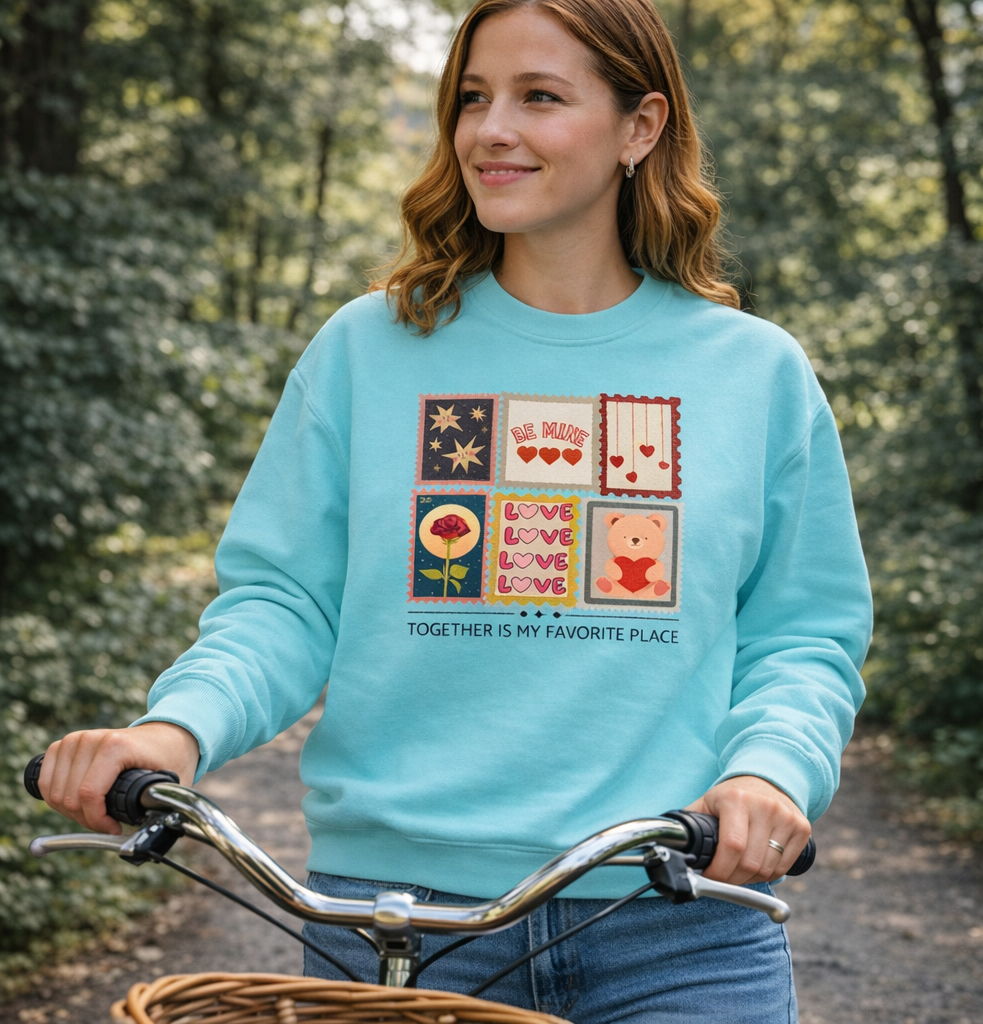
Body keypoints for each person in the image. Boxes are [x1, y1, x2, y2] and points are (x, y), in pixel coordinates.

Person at [37, 0, 872, 1020]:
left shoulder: (754, 373)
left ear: (639, 129)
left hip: (680, 918)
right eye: (472, 97)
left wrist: (770, 773)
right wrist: (176, 730)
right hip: (391, 925)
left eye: (540, 97)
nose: (490, 130)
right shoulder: (368, 350)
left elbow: (802, 634)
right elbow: (285, 601)